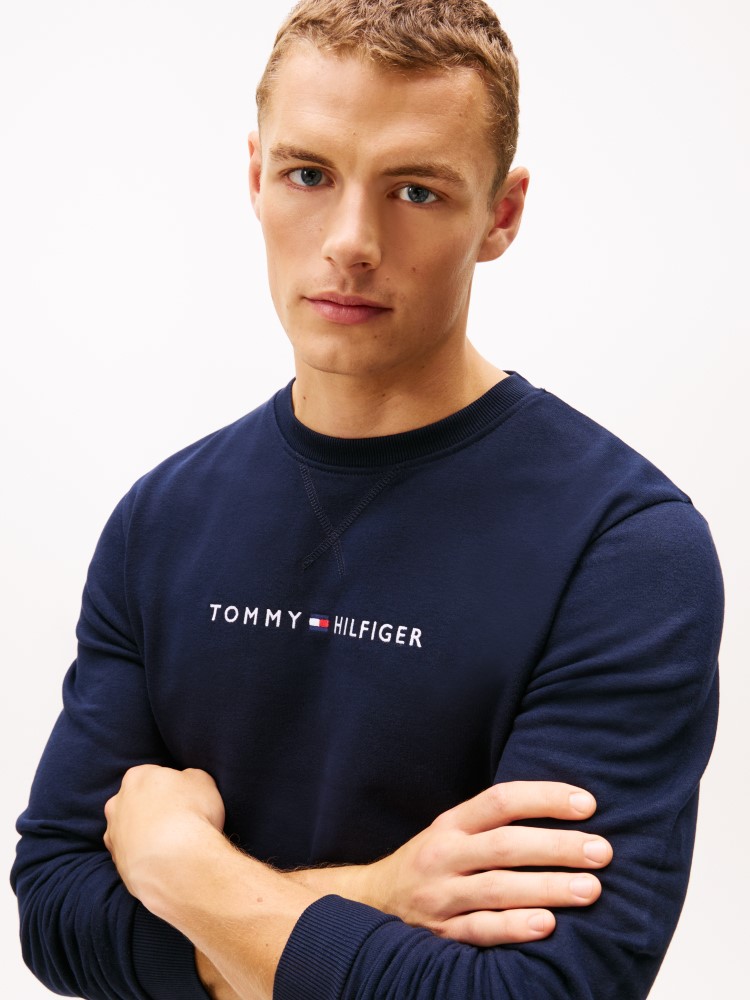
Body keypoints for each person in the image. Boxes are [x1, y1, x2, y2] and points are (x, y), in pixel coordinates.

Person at [11, 1, 723, 998]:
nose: (351, 241)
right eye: (309, 175)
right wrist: (380, 891)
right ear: (255, 176)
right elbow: (54, 910)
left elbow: (542, 990)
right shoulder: (160, 520)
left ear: (502, 214)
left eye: (416, 191)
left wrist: (182, 869)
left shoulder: (624, 548)